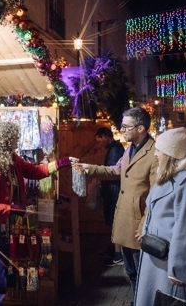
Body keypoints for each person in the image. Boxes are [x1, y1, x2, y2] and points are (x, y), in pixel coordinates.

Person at [0, 122, 75, 306]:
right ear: (4, 142)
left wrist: (62, 163)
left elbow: (34, 171)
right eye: (13, 139)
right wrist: (13, 209)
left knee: (0, 274)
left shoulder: (12, 160)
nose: (17, 141)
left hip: (1, 224)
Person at [75, 107, 156, 306]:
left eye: (126, 126)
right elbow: (116, 170)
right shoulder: (130, 148)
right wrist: (89, 168)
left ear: (141, 128)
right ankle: (139, 301)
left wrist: (145, 222)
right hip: (125, 218)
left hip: (139, 224)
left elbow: (156, 193)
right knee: (130, 271)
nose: (122, 130)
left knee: (142, 272)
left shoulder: (154, 153)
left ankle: (143, 302)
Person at [134, 127, 186, 306]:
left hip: (168, 262)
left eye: (159, 150)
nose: (156, 154)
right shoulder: (169, 176)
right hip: (157, 255)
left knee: (168, 300)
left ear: (171, 154)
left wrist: (178, 269)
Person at [94, 127, 126, 266]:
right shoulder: (115, 148)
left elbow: (112, 171)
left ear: (105, 136)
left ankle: (118, 253)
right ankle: (114, 249)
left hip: (114, 190)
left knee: (115, 221)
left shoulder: (115, 149)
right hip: (112, 189)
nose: (100, 144)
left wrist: (96, 173)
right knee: (113, 221)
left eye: (100, 140)